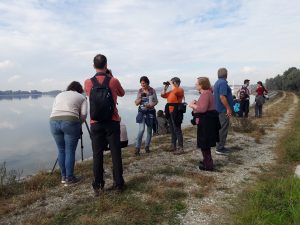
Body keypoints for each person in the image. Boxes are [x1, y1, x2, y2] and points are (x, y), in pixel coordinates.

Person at [84, 54, 125, 196]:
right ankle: (119, 184)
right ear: (106, 65)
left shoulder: (87, 82)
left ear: (93, 65)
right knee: (115, 153)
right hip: (112, 121)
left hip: (95, 123)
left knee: (97, 155)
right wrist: (111, 76)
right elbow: (122, 93)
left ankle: (98, 186)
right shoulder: (113, 81)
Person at [49, 81, 87, 186]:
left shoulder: (59, 95)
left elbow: (54, 109)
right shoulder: (81, 97)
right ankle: (70, 178)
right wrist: (77, 124)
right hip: (70, 121)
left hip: (53, 121)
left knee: (61, 150)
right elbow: (83, 116)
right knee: (70, 150)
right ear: (80, 90)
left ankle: (63, 177)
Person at [189, 77, 220, 171]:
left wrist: (192, 105)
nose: (195, 84)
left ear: (201, 85)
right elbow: (205, 106)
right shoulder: (208, 93)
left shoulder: (205, 94)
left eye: (197, 83)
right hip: (208, 121)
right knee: (205, 144)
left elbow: (202, 109)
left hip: (206, 122)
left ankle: (208, 165)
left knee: (204, 143)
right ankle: (207, 161)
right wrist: (197, 103)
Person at [134, 76, 158, 156]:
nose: (142, 85)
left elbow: (156, 101)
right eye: (141, 83)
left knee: (149, 131)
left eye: (143, 83)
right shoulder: (140, 91)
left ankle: (147, 147)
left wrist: (151, 105)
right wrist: (140, 98)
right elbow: (136, 103)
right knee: (141, 130)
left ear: (147, 83)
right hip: (141, 112)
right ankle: (137, 148)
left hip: (150, 112)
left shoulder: (152, 90)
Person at [161, 77, 185, 155]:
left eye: (172, 82)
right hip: (170, 111)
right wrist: (165, 87)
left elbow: (176, 91)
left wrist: (171, 83)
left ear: (175, 82)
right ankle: (173, 145)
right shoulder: (172, 91)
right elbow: (163, 95)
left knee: (177, 129)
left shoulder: (180, 89)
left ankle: (181, 148)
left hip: (177, 112)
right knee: (172, 129)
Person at [213, 68, 233, 155]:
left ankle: (219, 146)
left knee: (219, 128)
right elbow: (222, 97)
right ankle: (220, 148)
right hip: (223, 110)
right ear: (226, 74)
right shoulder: (223, 83)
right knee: (223, 129)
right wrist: (228, 108)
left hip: (218, 109)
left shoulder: (217, 82)